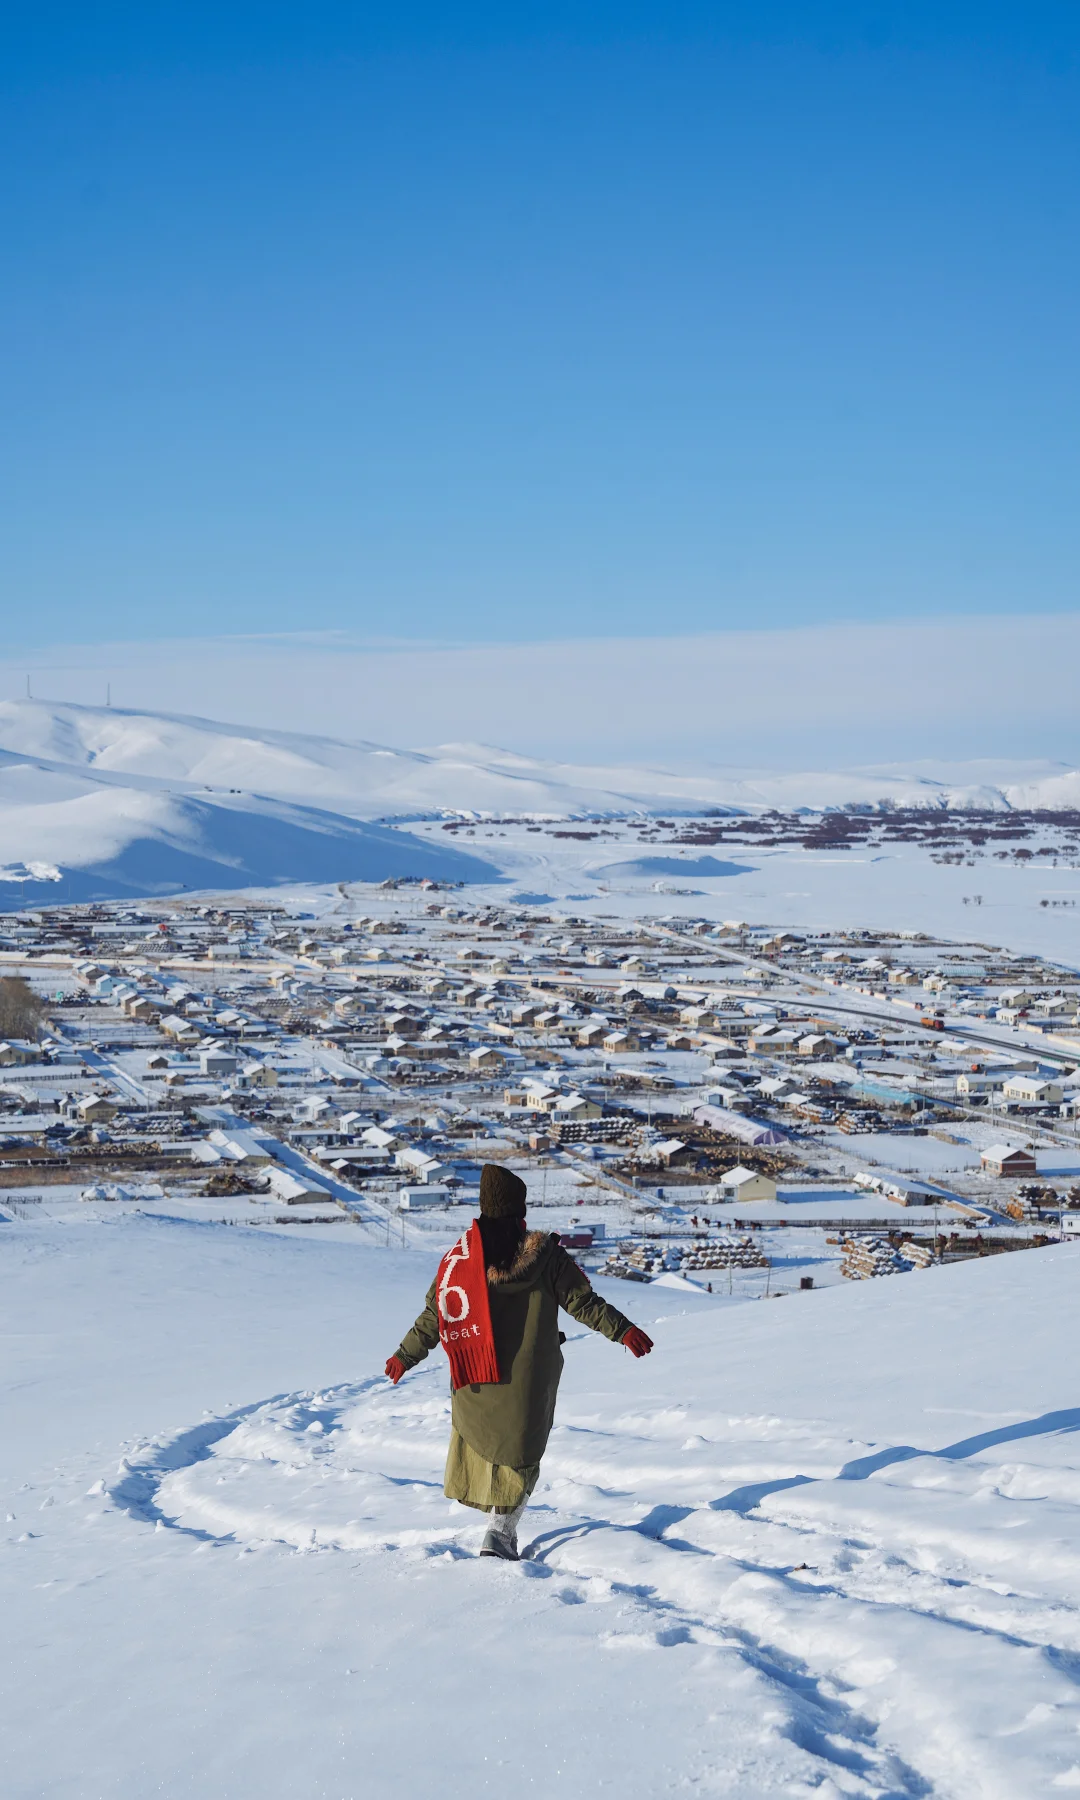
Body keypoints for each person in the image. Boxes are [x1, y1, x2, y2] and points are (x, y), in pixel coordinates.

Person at [385, 1163, 654, 1560]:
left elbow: (436, 1315)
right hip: (529, 1379)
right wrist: (623, 1330)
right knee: (522, 1453)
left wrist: (404, 1356)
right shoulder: (546, 1256)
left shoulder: (459, 1261)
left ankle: (496, 1529)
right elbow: (584, 1303)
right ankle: (502, 1530)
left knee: (486, 1447)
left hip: (475, 1375)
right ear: (520, 1211)